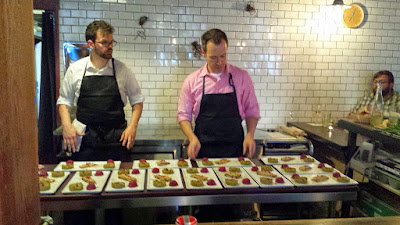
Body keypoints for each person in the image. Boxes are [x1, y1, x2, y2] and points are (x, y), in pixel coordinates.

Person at [57, 20, 144, 161]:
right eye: (104, 43)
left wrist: (132, 127)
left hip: (116, 139)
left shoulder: (123, 70)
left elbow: (137, 101)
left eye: (111, 42)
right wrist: (67, 126)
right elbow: (64, 101)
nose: (109, 47)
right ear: (90, 44)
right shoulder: (75, 70)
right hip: (85, 139)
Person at [178, 29, 260, 159]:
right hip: (203, 150)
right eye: (214, 57)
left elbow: (252, 110)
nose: (220, 62)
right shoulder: (192, 81)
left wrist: (250, 135)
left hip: (235, 150)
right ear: (203, 53)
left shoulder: (242, 77)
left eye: (223, 56)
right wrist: (191, 138)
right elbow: (183, 115)